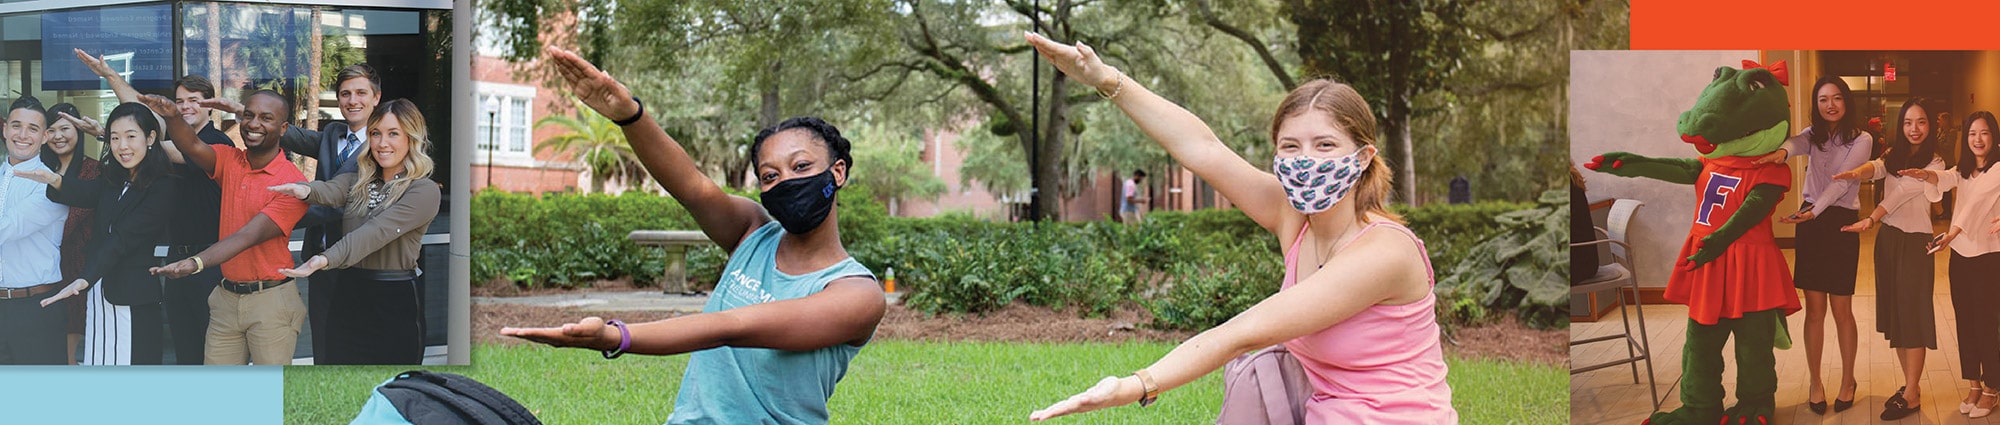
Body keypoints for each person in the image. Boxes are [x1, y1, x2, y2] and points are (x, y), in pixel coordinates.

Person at [1020, 33, 1454, 423]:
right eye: (1291, 146)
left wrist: (1135, 384)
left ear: (1361, 158)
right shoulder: (1293, 218)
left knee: (1258, 353)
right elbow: (1202, 148)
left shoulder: (1385, 251)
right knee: (1262, 368)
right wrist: (1105, 77)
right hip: (1327, 411)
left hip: (1398, 419)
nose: (1306, 160)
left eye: (1325, 145)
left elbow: (1242, 332)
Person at [501, 47, 886, 424]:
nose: (786, 181)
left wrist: (616, 336)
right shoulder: (752, 231)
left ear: (837, 173)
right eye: (770, 176)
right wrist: (630, 115)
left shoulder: (856, 294)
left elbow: (732, 327)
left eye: (801, 166)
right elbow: (692, 186)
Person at [74, 48, 236, 364]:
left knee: (213, 351)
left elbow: (161, 142)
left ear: (210, 106)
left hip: (209, 261)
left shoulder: (218, 143)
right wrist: (109, 76)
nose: (186, 106)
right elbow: (140, 116)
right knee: (184, 348)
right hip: (175, 260)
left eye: (195, 99)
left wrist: (115, 135)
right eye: (181, 100)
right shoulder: (166, 136)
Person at [139, 92, 310, 366]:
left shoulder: (292, 182)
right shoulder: (231, 160)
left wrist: (195, 262)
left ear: (284, 128)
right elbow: (192, 145)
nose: (254, 124)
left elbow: (247, 236)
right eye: (249, 115)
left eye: (266, 118)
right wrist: (171, 116)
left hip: (271, 300)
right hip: (226, 299)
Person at [268, 99, 439, 365]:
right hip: (346, 295)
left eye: (393, 134)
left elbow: (375, 232)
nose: (382, 143)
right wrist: (305, 190)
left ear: (411, 138)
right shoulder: (359, 179)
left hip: (392, 301)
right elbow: (332, 189)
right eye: (376, 133)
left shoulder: (423, 190)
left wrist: (325, 258)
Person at [22, 102, 180, 365]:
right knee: (101, 360)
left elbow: (122, 238)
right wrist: (53, 179)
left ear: (150, 138)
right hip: (100, 292)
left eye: (131, 136)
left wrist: (84, 278)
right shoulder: (114, 177)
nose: (122, 146)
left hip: (132, 297)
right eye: (115, 138)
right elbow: (87, 193)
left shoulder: (163, 185)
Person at [1757, 75, 1872, 414]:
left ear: (1846, 101)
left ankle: (1848, 379)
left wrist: (1813, 212)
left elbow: (1839, 186)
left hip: (1840, 224)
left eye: (1836, 98)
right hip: (1811, 224)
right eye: (1823, 99)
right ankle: (1816, 381)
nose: (1830, 105)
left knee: (1841, 311)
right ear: (1816, 104)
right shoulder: (1813, 134)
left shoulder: (1862, 139)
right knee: (1815, 311)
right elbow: (1794, 143)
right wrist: (1780, 152)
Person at [1833, 97, 1945, 420]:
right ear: (1902, 125)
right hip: (1889, 241)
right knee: (1897, 314)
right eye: (1909, 122)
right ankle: (1911, 386)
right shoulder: (1892, 154)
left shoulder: (1935, 163)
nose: (1914, 129)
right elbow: (1878, 167)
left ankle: (1911, 394)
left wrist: (1871, 219)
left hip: (1915, 243)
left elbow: (1901, 193)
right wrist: (1858, 170)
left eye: (1921, 122)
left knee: (1913, 316)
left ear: (1930, 125)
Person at [1900, 111, 2000, 418]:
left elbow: (1974, 206)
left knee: (1987, 325)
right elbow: (1946, 179)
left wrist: (1951, 233)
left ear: (1994, 137)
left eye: (1984, 133)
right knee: (1965, 322)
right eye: (1972, 133)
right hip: (1960, 256)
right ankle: (1973, 383)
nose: (1978, 139)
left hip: (1989, 257)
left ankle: (1992, 388)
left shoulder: (1997, 170)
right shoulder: (1965, 170)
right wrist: (1926, 175)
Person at [0, 96, 72, 365]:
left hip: (36, 307)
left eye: (33, 129)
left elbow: (8, 227)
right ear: (5, 128)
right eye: (16, 126)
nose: (22, 135)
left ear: (44, 137)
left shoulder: (52, 185)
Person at [41, 102, 101, 364]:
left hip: (77, 262)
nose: (58, 136)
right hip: (42, 263)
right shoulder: (40, 168)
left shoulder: (93, 169)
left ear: (79, 131)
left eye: (65, 128)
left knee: (75, 329)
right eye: (51, 130)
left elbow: (75, 216)